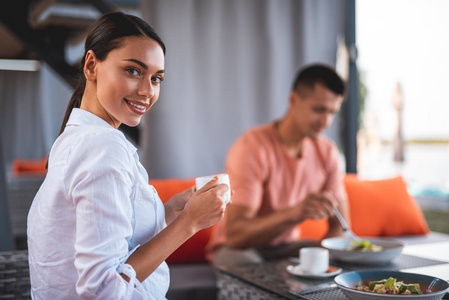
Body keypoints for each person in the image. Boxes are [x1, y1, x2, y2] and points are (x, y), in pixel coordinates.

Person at [27, 12, 228, 299]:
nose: (147, 91)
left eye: (156, 78)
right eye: (133, 71)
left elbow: (115, 239)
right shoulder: (103, 148)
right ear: (91, 65)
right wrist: (189, 224)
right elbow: (101, 290)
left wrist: (170, 211)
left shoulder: (75, 139)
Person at [206, 64, 350, 266]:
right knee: (248, 267)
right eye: (319, 110)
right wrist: (295, 213)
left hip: (286, 247)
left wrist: (322, 260)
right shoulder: (253, 148)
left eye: (332, 112)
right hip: (239, 248)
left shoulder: (328, 152)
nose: (326, 121)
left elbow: (341, 227)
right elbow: (236, 235)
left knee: (335, 257)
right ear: (293, 100)